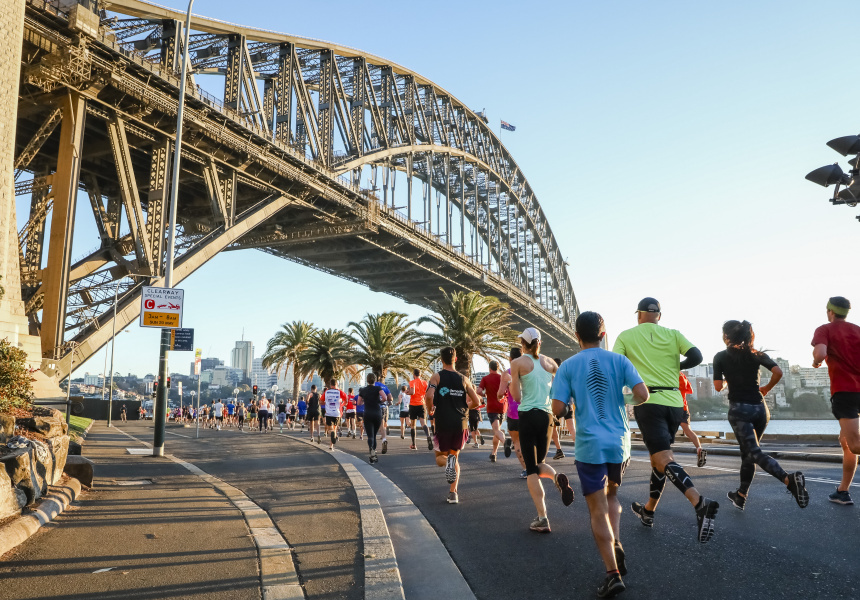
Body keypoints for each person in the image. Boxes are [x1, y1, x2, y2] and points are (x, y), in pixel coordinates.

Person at [552, 312, 649, 598]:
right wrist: (622, 397)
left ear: (576, 336)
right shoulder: (620, 361)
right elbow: (642, 394)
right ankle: (616, 541)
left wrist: (570, 404)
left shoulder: (568, 366)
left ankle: (612, 574)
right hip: (619, 445)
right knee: (612, 497)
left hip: (590, 446)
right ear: (603, 334)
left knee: (597, 508)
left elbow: (557, 408)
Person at [613, 297, 718, 544]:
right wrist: (676, 366)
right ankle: (648, 511)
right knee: (658, 460)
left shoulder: (626, 336)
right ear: (659, 315)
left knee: (663, 459)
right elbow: (697, 355)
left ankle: (699, 502)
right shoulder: (673, 334)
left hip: (647, 402)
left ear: (638, 315)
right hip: (674, 402)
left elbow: (616, 366)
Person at [714, 320, 809, 511]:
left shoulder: (721, 357)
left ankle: (788, 479)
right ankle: (741, 495)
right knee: (748, 454)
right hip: (760, 410)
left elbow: (718, 386)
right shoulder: (756, 354)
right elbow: (778, 372)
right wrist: (766, 388)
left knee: (753, 452)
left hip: (740, 410)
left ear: (726, 336)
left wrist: (728, 378)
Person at [510, 327, 575, 532]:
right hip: (547, 417)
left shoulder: (518, 363)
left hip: (528, 416)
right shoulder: (550, 363)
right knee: (540, 464)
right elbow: (560, 388)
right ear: (540, 343)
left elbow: (517, 396)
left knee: (531, 470)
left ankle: (542, 518)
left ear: (523, 344)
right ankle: (556, 477)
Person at [812, 296, 860, 505]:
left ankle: (843, 491)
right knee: (846, 443)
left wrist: (815, 361)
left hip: (845, 392)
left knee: (855, 445)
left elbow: (820, 352)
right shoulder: (857, 329)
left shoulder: (825, 329)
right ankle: (842, 491)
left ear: (830, 311)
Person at [424, 347, 482, 504]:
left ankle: (447, 461)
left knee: (439, 459)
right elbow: (476, 402)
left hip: (442, 422)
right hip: (460, 424)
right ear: (455, 359)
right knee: (454, 457)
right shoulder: (464, 379)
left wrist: (431, 410)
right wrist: (464, 409)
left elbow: (429, 395)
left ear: (441, 360)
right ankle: (453, 494)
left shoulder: (437, 376)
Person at [498, 347, 528, 477]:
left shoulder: (507, 373)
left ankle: (526, 469)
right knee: (529, 440)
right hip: (530, 411)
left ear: (510, 359)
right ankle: (535, 465)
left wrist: (502, 396)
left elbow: (500, 394)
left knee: (517, 441)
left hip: (514, 413)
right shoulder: (529, 371)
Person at [357, 374, 388, 463]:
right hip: (377, 413)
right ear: (374, 380)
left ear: (367, 380)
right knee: (374, 434)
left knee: (370, 435)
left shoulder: (363, 390)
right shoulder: (378, 388)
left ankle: (371, 450)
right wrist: (379, 401)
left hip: (367, 414)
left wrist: (364, 400)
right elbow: (385, 398)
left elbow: (359, 403)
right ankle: (373, 452)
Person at [678, 373, 707, 467]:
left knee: (665, 430)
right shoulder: (682, 376)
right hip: (684, 408)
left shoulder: (667, 374)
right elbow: (690, 390)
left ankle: (664, 458)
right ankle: (699, 448)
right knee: (688, 431)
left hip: (672, 406)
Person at [407, 369, 433, 451]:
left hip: (413, 405)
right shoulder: (425, 382)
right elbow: (428, 394)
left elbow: (412, 392)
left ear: (414, 374)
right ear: (420, 374)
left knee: (413, 425)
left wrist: (407, 392)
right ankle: (428, 436)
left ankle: (414, 444)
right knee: (423, 423)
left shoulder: (412, 382)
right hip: (422, 404)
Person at [323, 379, 347, 450]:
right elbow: (346, 399)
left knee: (330, 429)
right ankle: (331, 446)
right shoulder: (340, 392)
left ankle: (332, 435)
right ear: (337, 384)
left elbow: (321, 401)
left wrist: (326, 403)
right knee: (335, 428)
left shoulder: (326, 392)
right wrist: (342, 404)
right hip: (337, 413)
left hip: (328, 413)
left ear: (330, 385)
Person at [375, 378, 394, 452]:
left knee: (373, 427)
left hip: (374, 408)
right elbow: (390, 398)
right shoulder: (385, 387)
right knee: (382, 426)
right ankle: (384, 439)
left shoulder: (373, 386)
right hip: (383, 408)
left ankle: (374, 448)